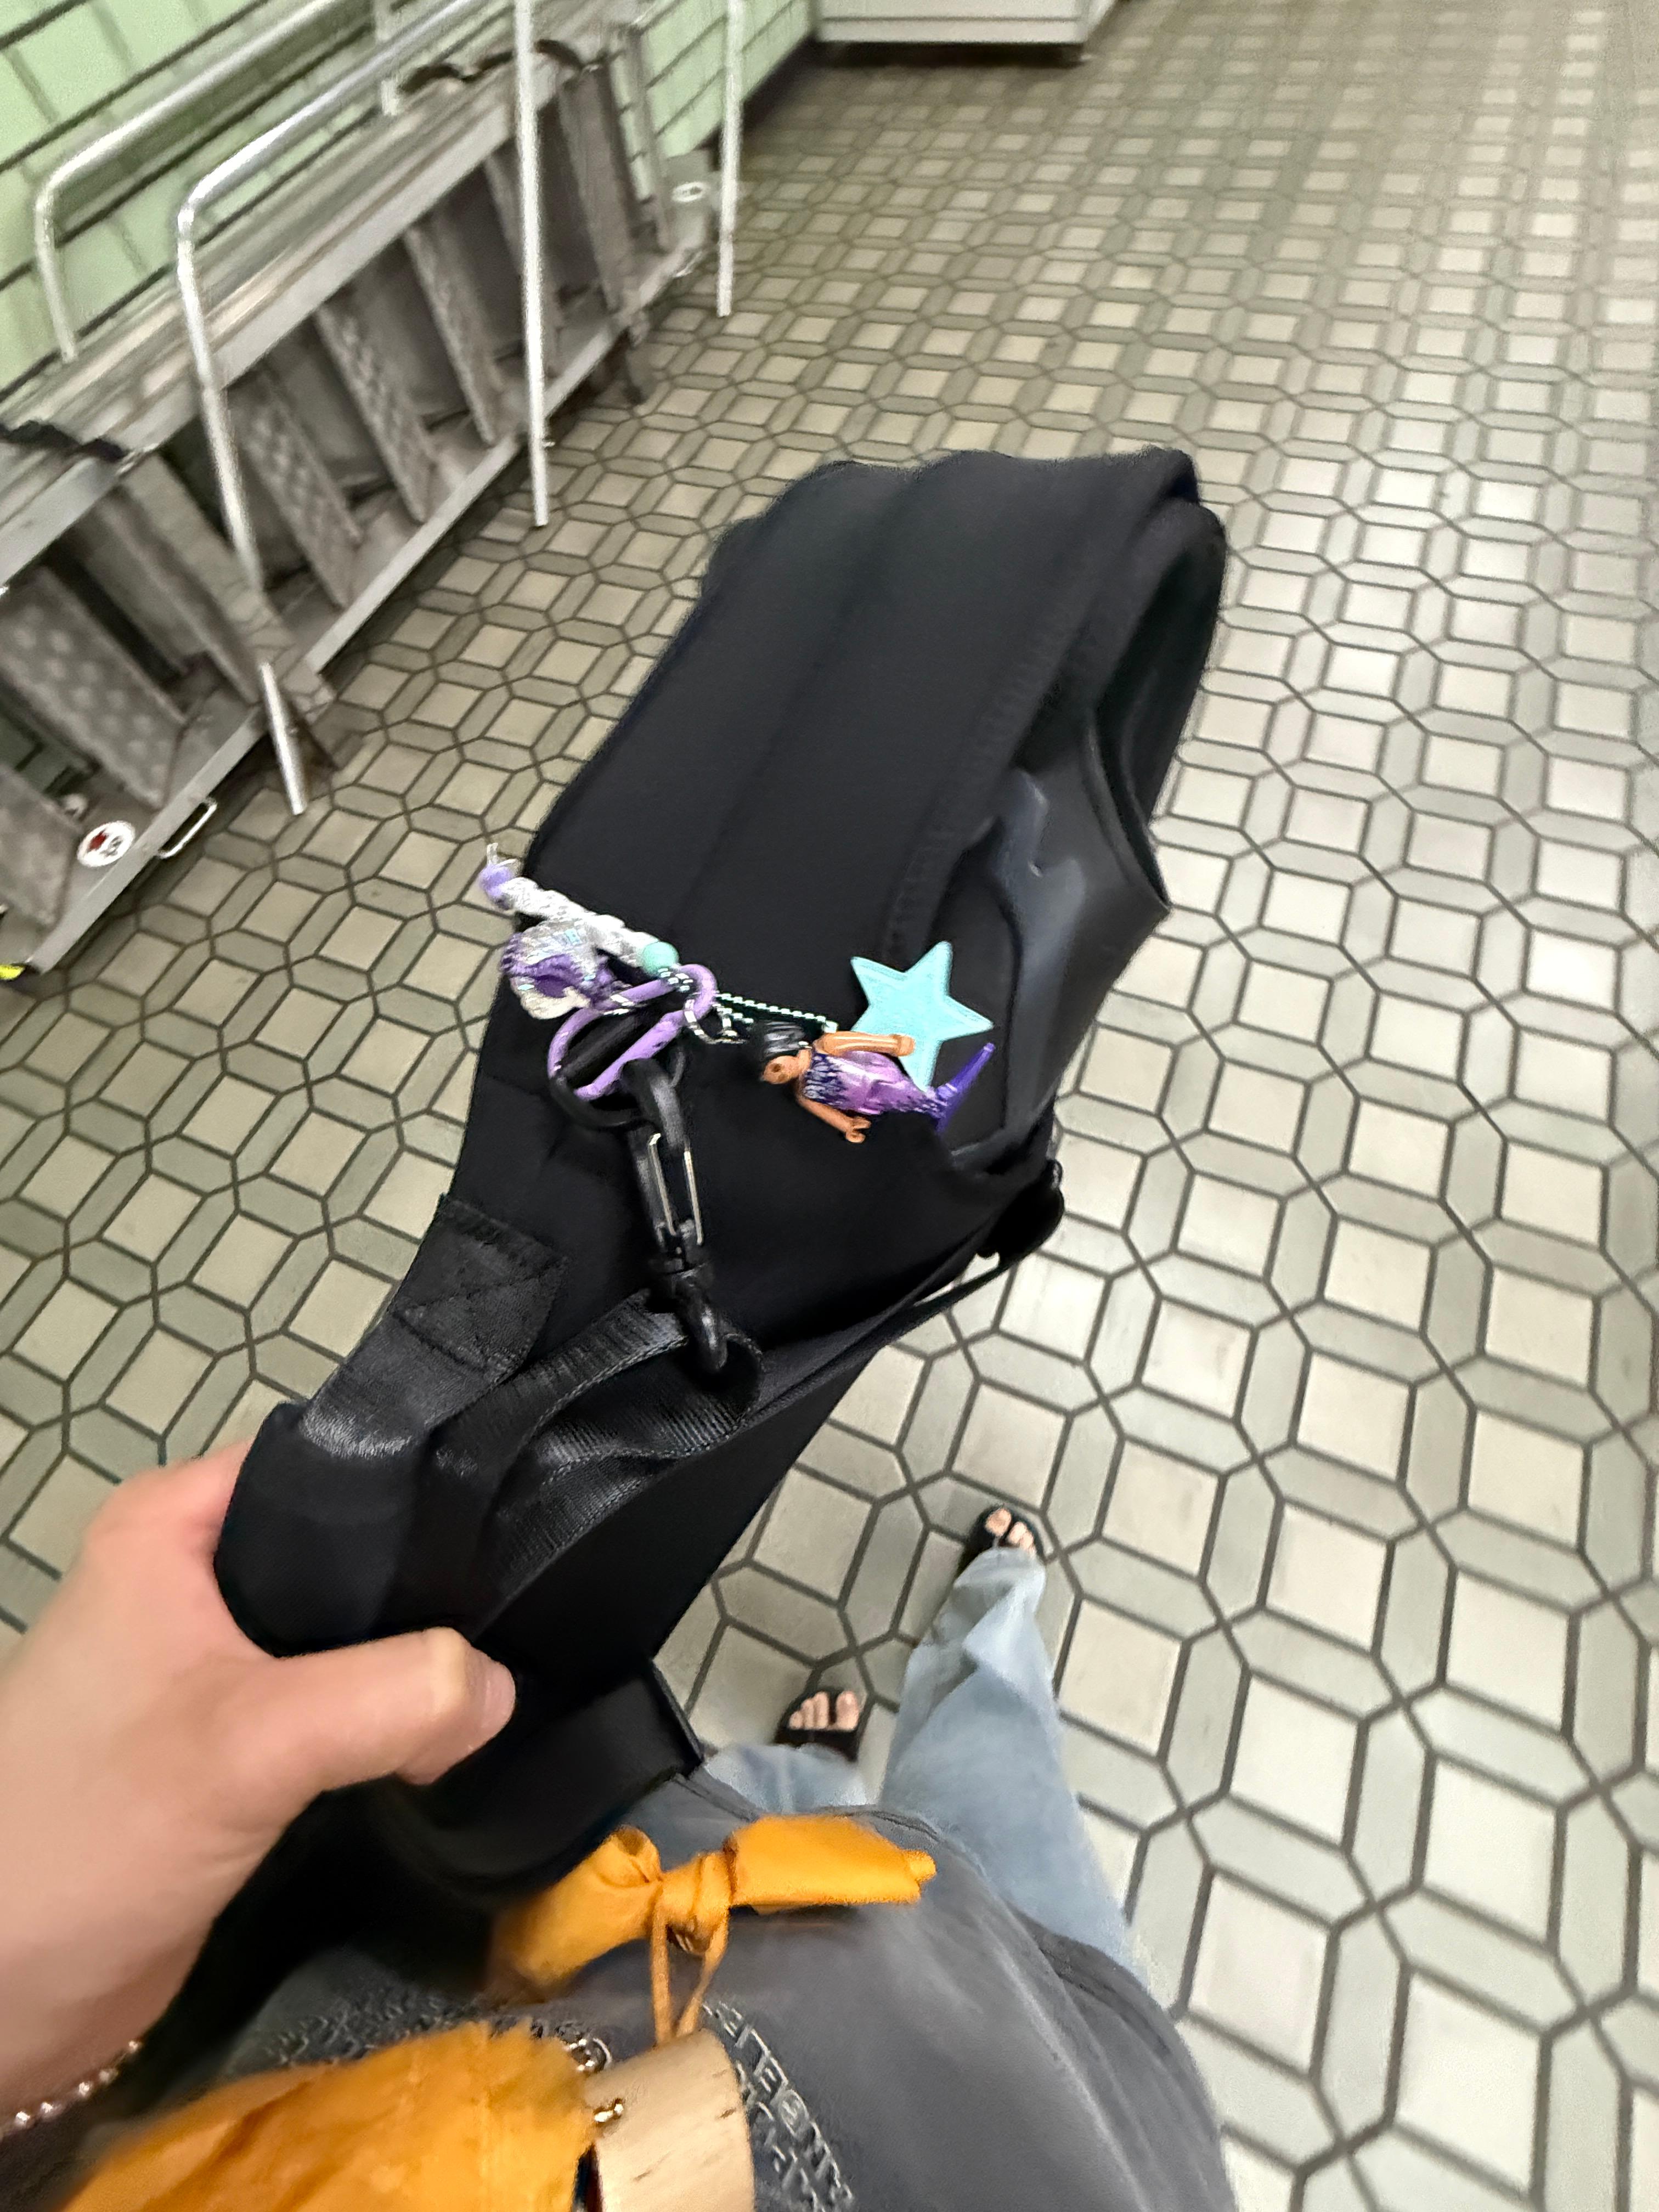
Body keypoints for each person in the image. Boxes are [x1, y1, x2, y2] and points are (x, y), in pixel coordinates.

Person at [0, 1444, 1235, 2209]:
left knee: (754, 1797)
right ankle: (991, 1613)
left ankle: (820, 1759)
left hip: (630, 1904)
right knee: (995, 1756)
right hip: (1066, 2088)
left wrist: (21, 2011)